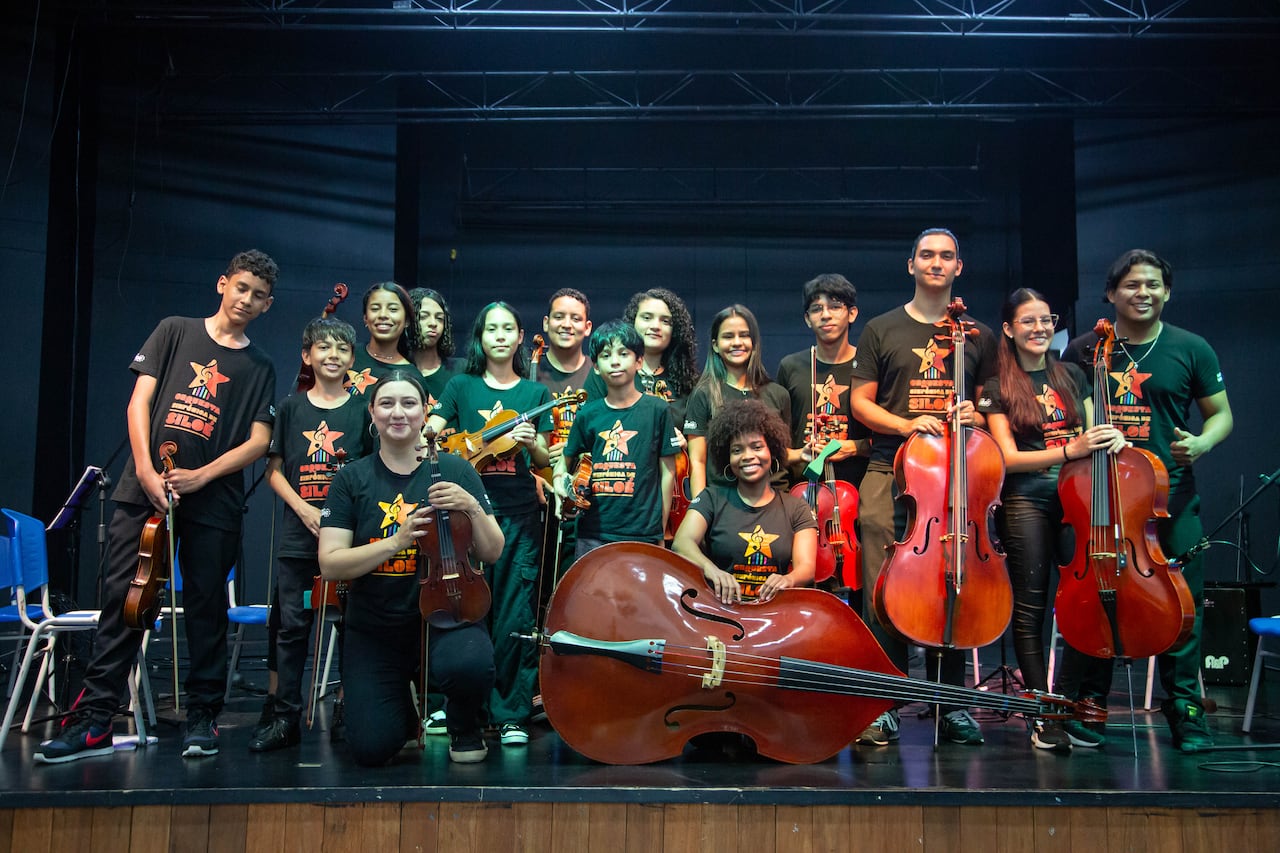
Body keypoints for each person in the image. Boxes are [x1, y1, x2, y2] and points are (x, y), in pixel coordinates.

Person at [35, 250, 279, 764]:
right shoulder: (174, 329)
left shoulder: (260, 366)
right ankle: (95, 718)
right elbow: (139, 402)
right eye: (240, 288)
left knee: (208, 612)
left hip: (215, 501)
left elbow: (259, 440)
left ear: (267, 305)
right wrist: (146, 470)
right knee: (125, 604)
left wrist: (204, 475)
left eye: (258, 295)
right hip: (142, 490)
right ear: (222, 284)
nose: (246, 300)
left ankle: (202, 718)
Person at [1055, 249, 1233, 752]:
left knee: (1182, 605)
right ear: (1111, 293)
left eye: (1153, 284)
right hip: (1101, 502)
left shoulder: (1191, 348)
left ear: (1167, 292)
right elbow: (1072, 415)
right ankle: (1092, 704)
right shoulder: (1086, 350)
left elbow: (1220, 415)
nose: (1144, 293)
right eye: (1132, 284)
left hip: (1168, 498)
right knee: (1099, 600)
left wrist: (1201, 443)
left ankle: (1185, 711)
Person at [848, 227, 998, 748]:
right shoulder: (881, 329)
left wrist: (971, 411)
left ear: (960, 267)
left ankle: (951, 703)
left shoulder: (976, 333)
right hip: (890, 470)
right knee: (883, 587)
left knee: (952, 582)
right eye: (927, 255)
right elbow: (860, 404)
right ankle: (885, 701)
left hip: (954, 479)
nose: (937, 263)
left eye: (947, 256)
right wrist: (906, 423)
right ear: (910, 264)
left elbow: (989, 403)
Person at [318, 372, 502, 766]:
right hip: (377, 624)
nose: (397, 413)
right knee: (371, 748)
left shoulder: (455, 469)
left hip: (446, 614)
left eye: (408, 403)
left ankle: (464, 723)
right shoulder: (352, 478)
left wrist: (471, 505)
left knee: (469, 663)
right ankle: (403, 711)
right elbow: (330, 563)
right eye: (386, 403)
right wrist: (396, 542)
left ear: (425, 412)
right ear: (372, 412)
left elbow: (493, 551)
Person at [976, 288, 1126, 752]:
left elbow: (1091, 432)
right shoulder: (998, 386)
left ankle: (1077, 701)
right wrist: (1069, 450)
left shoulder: (1073, 374)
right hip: (1027, 500)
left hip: (1078, 498)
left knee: (1089, 598)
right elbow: (1006, 457)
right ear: (1009, 329)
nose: (1039, 328)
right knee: (1032, 609)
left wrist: (1110, 436)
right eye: (1028, 321)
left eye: (1046, 319)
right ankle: (1042, 712)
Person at [428, 302, 552, 749]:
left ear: (520, 337)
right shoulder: (461, 385)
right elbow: (434, 432)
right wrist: (448, 440)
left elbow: (543, 458)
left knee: (513, 615)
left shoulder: (536, 395)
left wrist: (531, 441)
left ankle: (511, 713)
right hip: (465, 519)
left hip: (518, 515)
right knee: (464, 608)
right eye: (491, 329)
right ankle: (462, 705)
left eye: (508, 329)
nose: (500, 336)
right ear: (480, 337)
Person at [249, 315, 372, 752]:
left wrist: (339, 518)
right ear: (307, 356)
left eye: (341, 349)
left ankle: (345, 709)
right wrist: (303, 510)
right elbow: (274, 472)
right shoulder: (289, 408)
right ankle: (284, 716)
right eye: (323, 347)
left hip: (348, 543)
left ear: (352, 359)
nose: (332, 355)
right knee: (292, 627)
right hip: (298, 539)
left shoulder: (363, 411)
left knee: (351, 625)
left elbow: (370, 475)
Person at [553, 320, 680, 555]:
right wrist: (560, 482)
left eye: (624, 353)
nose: (615, 361)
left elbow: (668, 472)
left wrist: (659, 531)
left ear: (639, 361)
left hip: (643, 534)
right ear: (596, 366)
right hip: (593, 533)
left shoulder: (657, 410)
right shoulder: (587, 414)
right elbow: (564, 462)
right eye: (606, 355)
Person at [673, 400, 817, 604]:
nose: (748, 456)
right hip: (720, 609)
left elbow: (807, 568)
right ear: (727, 459)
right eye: (737, 450)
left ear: (772, 451)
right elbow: (681, 542)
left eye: (757, 447)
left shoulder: (796, 508)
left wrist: (788, 579)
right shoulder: (711, 498)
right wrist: (713, 572)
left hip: (774, 615)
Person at [775, 274, 871, 490]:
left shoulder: (870, 365)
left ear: (852, 313)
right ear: (808, 319)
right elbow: (776, 438)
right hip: (801, 491)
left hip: (858, 492)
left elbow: (887, 442)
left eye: (835, 307)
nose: (825, 315)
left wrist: (854, 447)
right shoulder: (790, 366)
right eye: (817, 309)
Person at [683, 305, 791, 496]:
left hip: (774, 499)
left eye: (744, 335)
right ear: (715, 345)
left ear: (754, 342)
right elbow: (698, 461)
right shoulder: (703, 394)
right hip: (724, 502)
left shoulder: (778, 394)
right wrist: (699, 509)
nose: (737, 342)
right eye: (728, 336)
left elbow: (783, 454)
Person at [347, 282, 418, 397]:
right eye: (375, 309)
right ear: (365, 318)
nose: (383, 315)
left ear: (407, 321)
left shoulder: (412, 375)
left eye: (393, 309)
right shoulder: (346, 355)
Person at [408, 286, 457, 408]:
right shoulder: (395, 371)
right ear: (407, 320)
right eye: (424, 317)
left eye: (439, 318)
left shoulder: (460, 370)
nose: (433, 323)